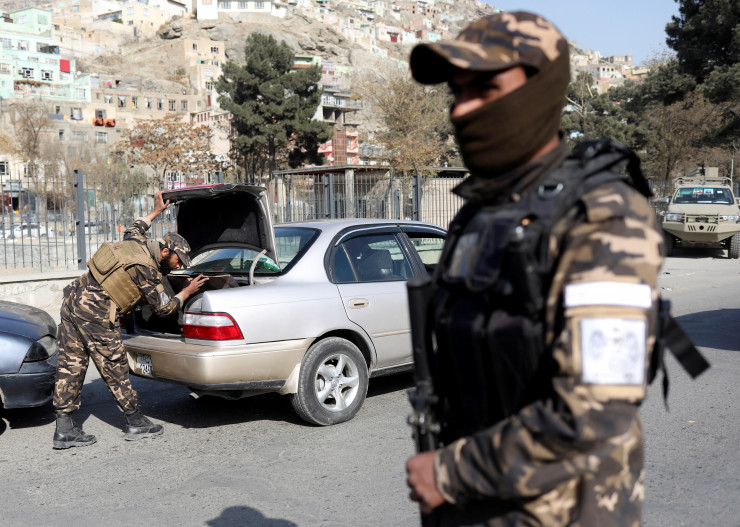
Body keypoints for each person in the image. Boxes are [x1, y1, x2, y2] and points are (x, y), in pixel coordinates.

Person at [405, 11, 665, 526]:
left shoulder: (603, 215)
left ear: (539, 91)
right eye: (457, 92)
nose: (462, 109)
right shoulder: (477, 214)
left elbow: (596, 413)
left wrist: (450, 473)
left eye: (486, 88)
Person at [53, 191, 208, 449]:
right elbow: (163, 309)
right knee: (114, 366)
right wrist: (186, 292)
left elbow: (135, 227)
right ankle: (135, 421)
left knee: (71, 363)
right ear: (165, 252)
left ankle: (64, 429)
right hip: (96, 312)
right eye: (177, 260)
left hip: (73, 301)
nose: (178, 266)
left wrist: (156, 211)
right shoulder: (146, 269)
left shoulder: (137, 242)